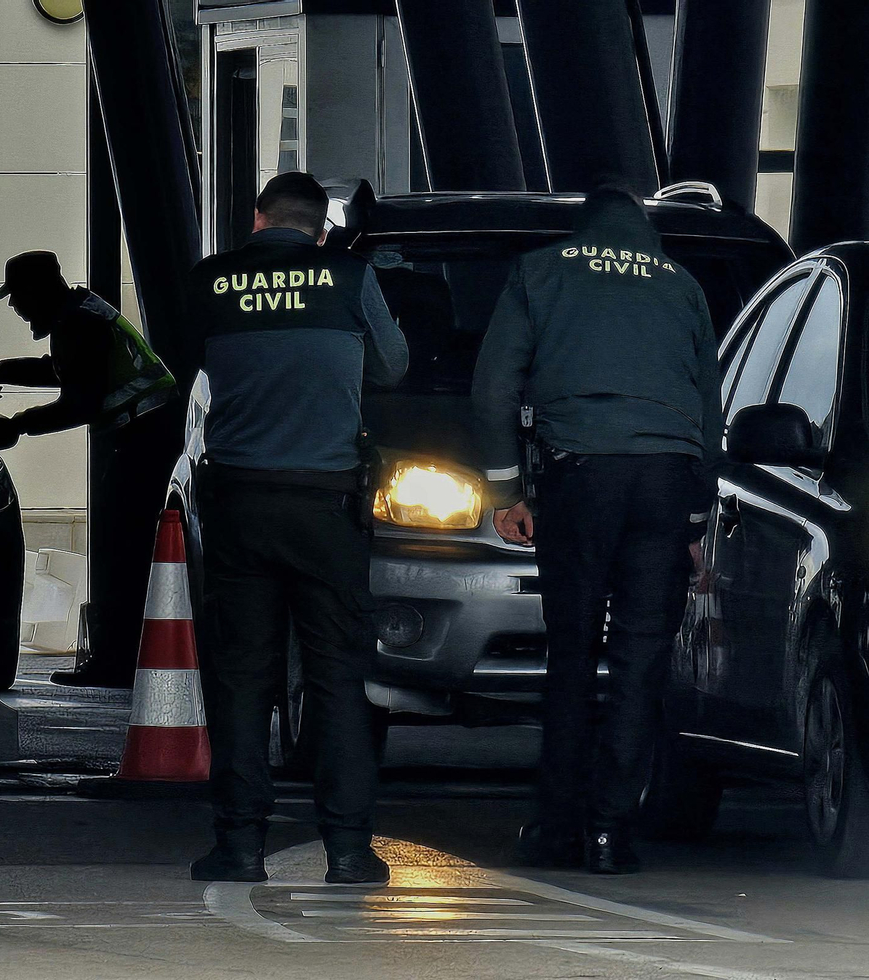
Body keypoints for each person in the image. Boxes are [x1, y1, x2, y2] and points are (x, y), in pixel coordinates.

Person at [470, 181, 721, 875]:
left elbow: (493, 389)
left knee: (574, 656)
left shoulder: (541, 272)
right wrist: (694, 519)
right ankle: (612, 834)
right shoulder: (682, 283)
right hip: (665, 483)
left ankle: (557, 830)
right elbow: (710, 409)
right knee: (642, 664)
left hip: (579, 479)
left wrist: (507, 493)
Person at [186, 171, 408, 885]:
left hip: (240, 504)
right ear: (319, 228)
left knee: (244, 680)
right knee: (339, 680)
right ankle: (347, 851)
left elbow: (183, 365)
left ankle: (240, 847)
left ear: (258, 219)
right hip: (326, 506)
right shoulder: (348, 276)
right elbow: (394, 368)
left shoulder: (213, 280)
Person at [0, 250, 175, 451]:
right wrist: (7, 370)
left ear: (37, 292)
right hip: (149, 423)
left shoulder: (80, 324)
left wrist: (17, 425)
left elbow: (80, 406)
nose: (12, 304)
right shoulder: (78, 313)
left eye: (17, 295)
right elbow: (75, 372)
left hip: (145, 429)